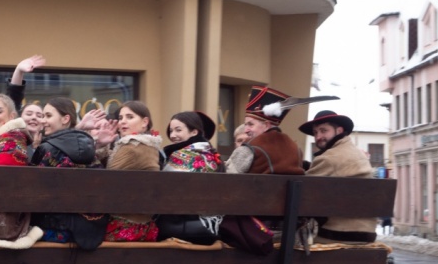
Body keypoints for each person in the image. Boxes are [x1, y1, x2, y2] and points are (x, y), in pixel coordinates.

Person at [30, 97, 105, 248]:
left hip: (54, 229)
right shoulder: (89, 147)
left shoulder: (48, 149)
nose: (43, 121)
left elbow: (33, 190)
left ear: (65, 119)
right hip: (91, 230)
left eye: (48, 116)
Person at [299, 109, 378, 244]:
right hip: (365, 233)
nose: (318, 136)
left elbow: (303, 192)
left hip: (338, 234)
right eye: (315, 132)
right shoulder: (356, 153)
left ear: (339, 131)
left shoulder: (328, 158)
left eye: (324, 131)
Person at [157, 111, 223, 243]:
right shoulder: (209, 153)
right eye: (171, 131)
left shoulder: (184, 155)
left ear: (194, 132)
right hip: (210, 222)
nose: (173, 135)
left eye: (178, 130)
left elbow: (161, 189)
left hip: (186, 223)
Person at [103, 101, 164, 242]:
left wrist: (99, 144)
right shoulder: (146, 145)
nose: (123, 122)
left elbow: (104, 180)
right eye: (121, 118)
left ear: (145, 122)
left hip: (123, 226)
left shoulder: (133, 147)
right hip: (142, 225)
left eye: (130, 117)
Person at [225, 85, 305, 175]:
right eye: (246, 124)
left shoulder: (249, 148)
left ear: (266, 125)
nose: (246, 130)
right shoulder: (296, 150)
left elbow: (228, 177)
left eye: (250, 124)